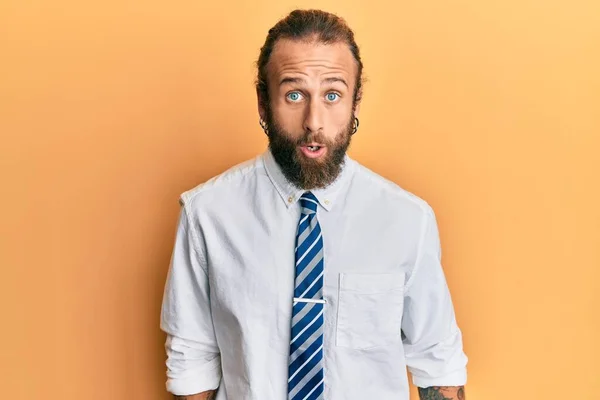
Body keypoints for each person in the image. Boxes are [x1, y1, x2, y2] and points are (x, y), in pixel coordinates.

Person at [160, 9, 468, 400]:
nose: (314, 121)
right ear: (262, 103)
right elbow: (191, 361)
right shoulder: (207, 214)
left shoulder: (408, 220)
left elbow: (437, 361)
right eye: (294, 95)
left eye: (333, 95)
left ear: (355, 103)